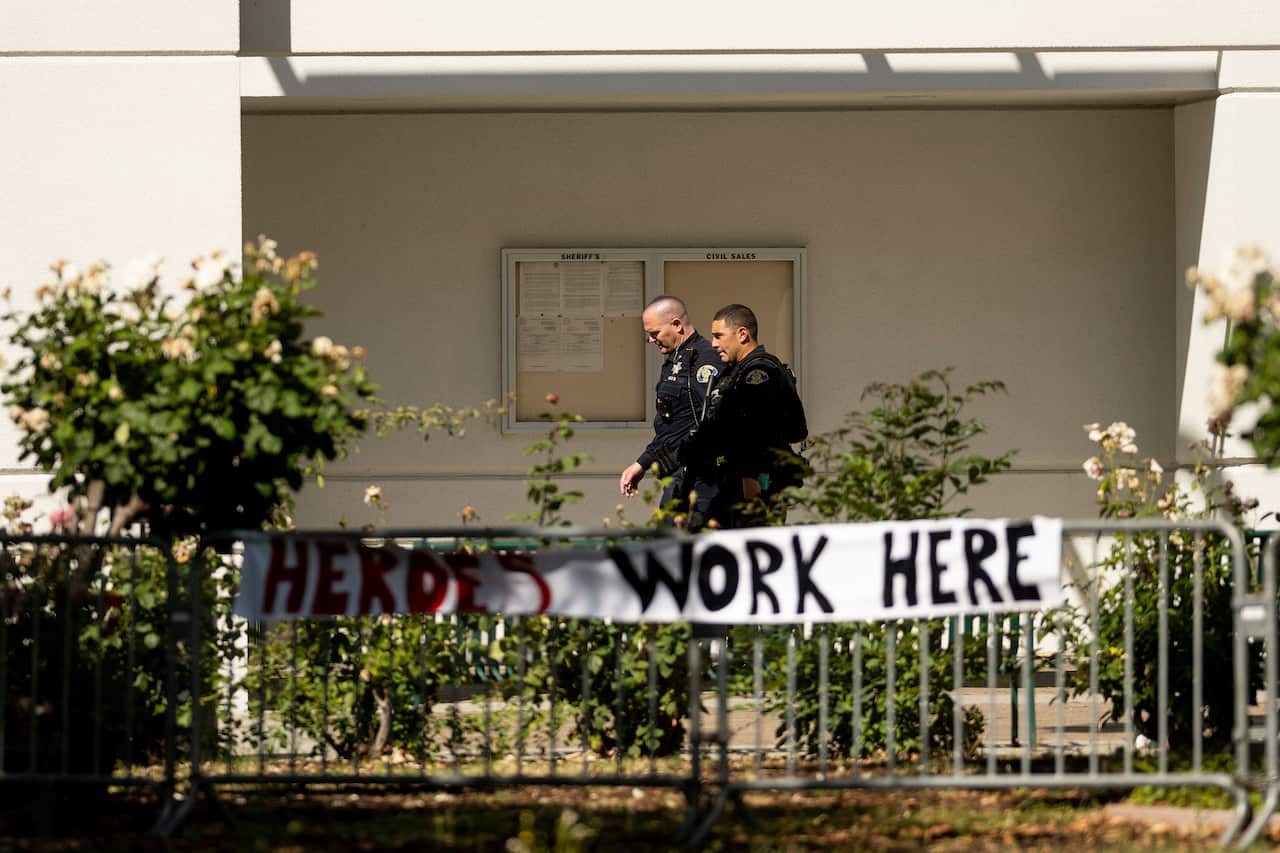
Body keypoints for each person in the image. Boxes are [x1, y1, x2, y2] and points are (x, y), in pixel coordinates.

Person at [684, 303, 808, 529]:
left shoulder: (758, 374)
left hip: (753, 486)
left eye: (719, 336)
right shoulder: (736, 373)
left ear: (742, 334)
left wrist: (750, 480)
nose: (714, 344)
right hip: (734, 483)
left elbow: (756, 432)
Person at [619, 295, 720, 519]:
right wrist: (642, 463)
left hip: (702, 481)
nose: (651, 340)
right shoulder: (675, 361)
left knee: (674, 545)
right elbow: (671, 425)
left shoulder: (705, 361)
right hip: (680, 476)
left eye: (654, 333)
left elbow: (708, 422)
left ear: (676, 325)